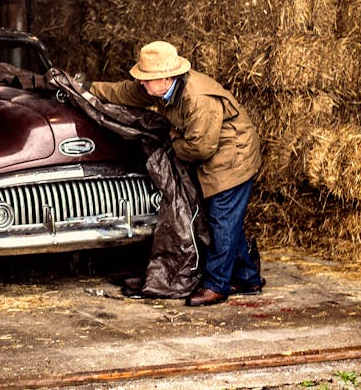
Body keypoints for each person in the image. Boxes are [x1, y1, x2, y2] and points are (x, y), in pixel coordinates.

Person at [88, 40, 264, 306]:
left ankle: (216, 286)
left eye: (146, 79)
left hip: (232, 156)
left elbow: (200, 147)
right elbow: (125, 92)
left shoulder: (196, 98)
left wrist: (173, 140)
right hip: (213, 152)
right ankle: (248, 277)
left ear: (167, 77)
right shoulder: (157, 88)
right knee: (226, 220)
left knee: (221, 220)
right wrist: (89, 90)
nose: (142, 83)